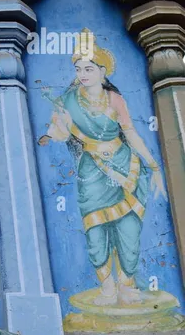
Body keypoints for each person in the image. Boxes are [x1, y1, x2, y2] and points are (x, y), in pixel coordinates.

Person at [39, 34, 167, 306]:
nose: (82, 74)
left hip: (125, 166)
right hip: (93, 172)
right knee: (95, 233)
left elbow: (130, 133)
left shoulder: (114, 99)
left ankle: (127, 286)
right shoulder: (68, 101)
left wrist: (153, 166)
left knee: (129, 230)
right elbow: (60, 131)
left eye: (88, 68)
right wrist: (52, 133)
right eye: (78, 69)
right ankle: (107, 288)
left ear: (102, 71)